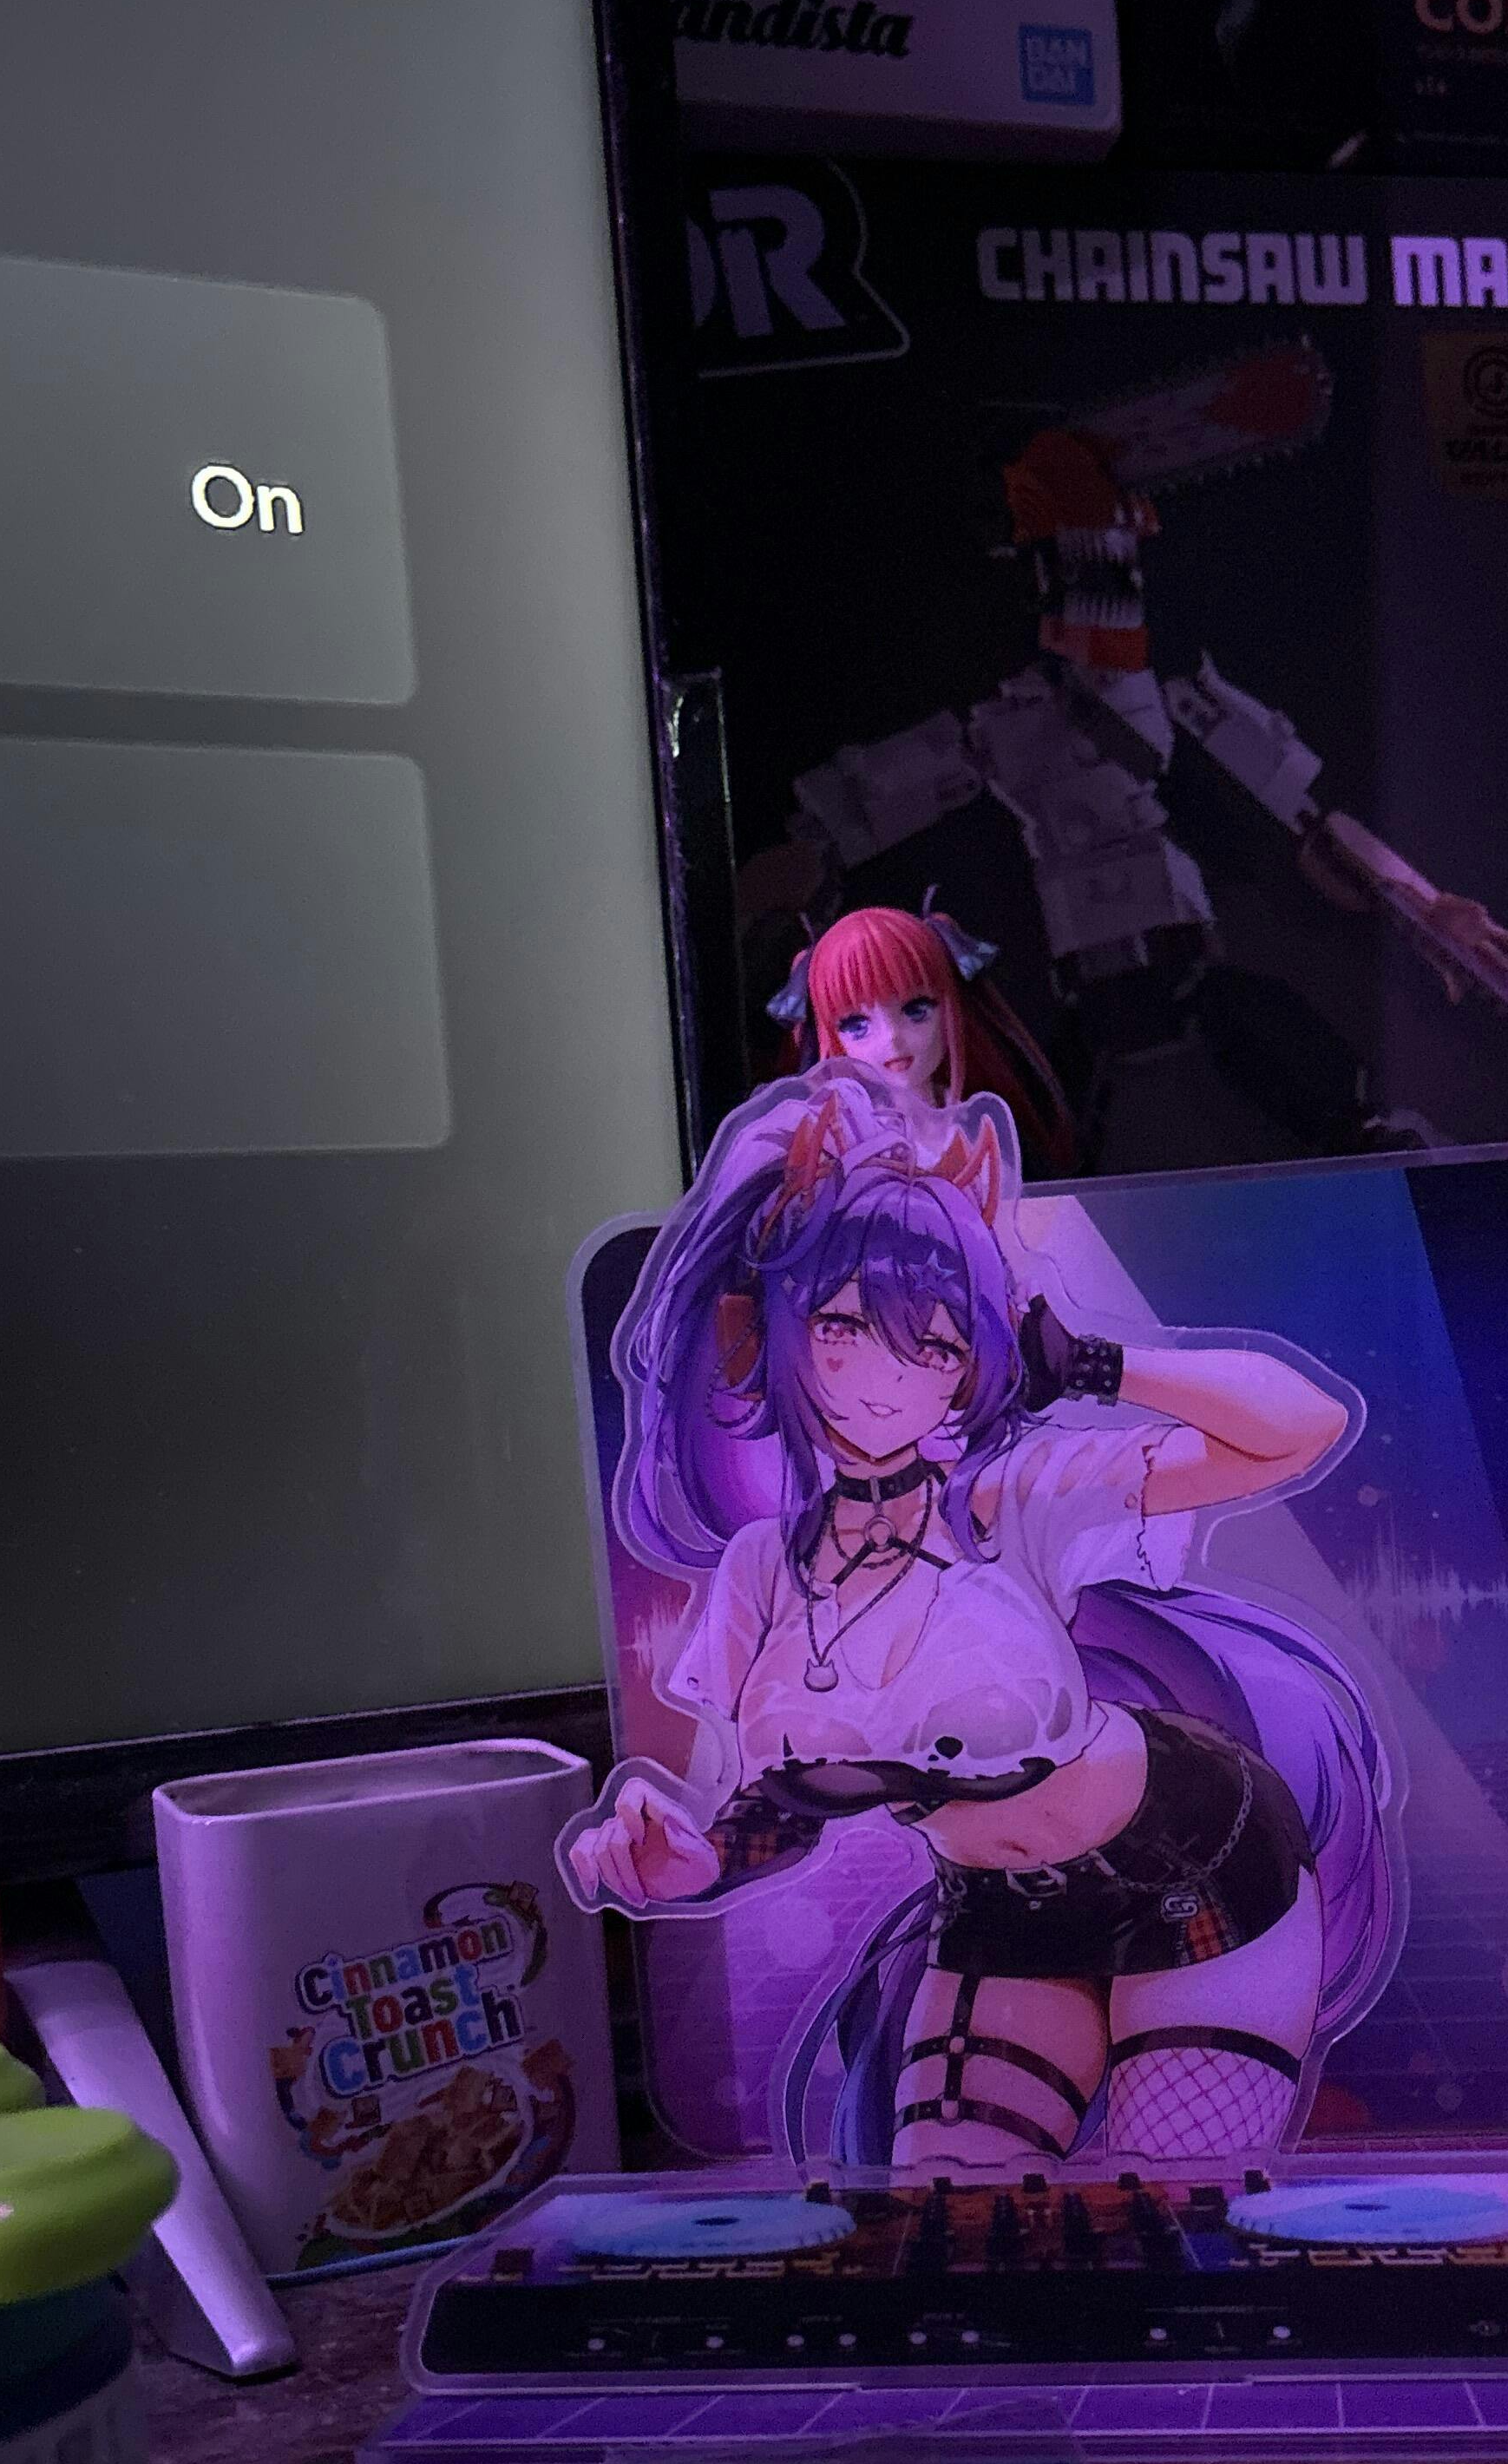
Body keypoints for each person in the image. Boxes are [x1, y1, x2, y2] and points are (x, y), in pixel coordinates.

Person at [565, 1078, 1400, 2177]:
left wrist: (1093, 1364)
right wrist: (691, 1864)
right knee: (952, 2224)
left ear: (974, 1362)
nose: (882, 1379)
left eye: (933, 1343)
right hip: (997, 1917)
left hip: (1195, 1866)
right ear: (775, 1333)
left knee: (1170, 2219)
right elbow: (780, 1807)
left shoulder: (1010, 1506)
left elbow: (1301, 1427)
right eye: (843, 1328)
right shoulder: (765, 1571)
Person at [774, 902, 1079, 1178]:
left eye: (916, 1010)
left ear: (950, 1011)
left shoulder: (979, 1127)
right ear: (832, 1037)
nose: (892, 1037)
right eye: (857, 1026)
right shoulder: (835, 1147)